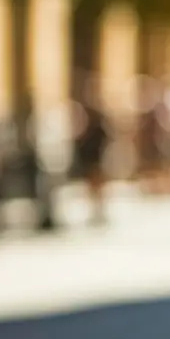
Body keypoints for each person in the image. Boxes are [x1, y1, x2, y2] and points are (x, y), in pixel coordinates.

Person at [73, 74, 110, 227]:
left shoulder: (96, 118)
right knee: (92, 185)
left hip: (94, 154)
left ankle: (98, 210)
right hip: (90, 155)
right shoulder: (84, 115)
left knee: (96, 184)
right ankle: (96, 210)